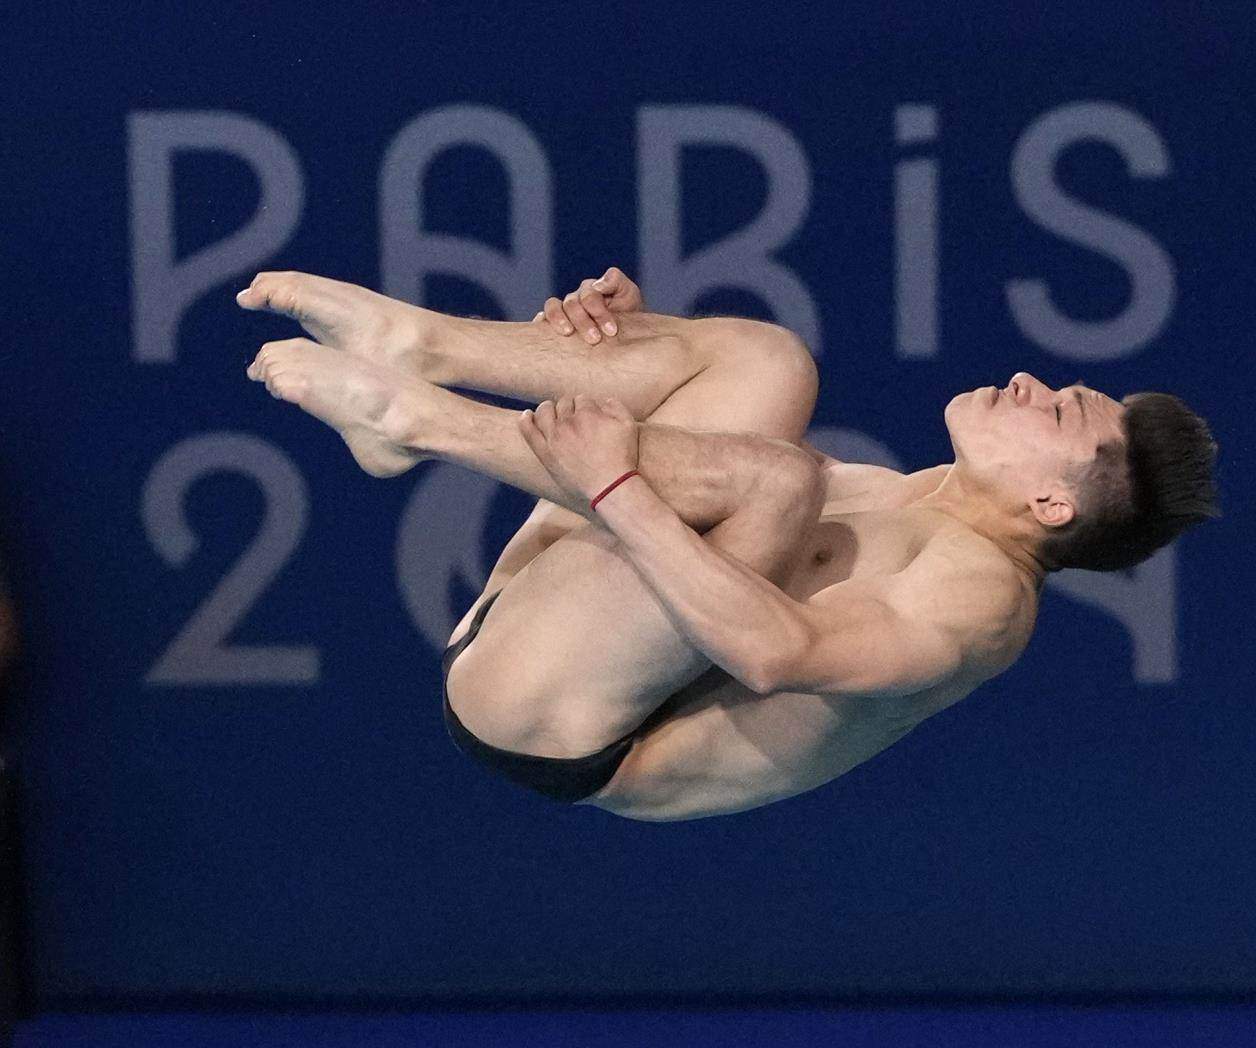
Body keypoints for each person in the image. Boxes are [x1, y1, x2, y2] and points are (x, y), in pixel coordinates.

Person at [237, 268, 1219, 821]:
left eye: (1057, 409)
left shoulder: (981, 603)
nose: (1023, 380)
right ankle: (426, 351)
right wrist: (625, 341)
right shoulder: (921, 494)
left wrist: (610, 481)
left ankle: (422, 420)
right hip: (544, 619)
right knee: (766, 361)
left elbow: (771, 651)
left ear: (1050, 503)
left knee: (776, 478)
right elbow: (698, 467)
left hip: (563, 723)